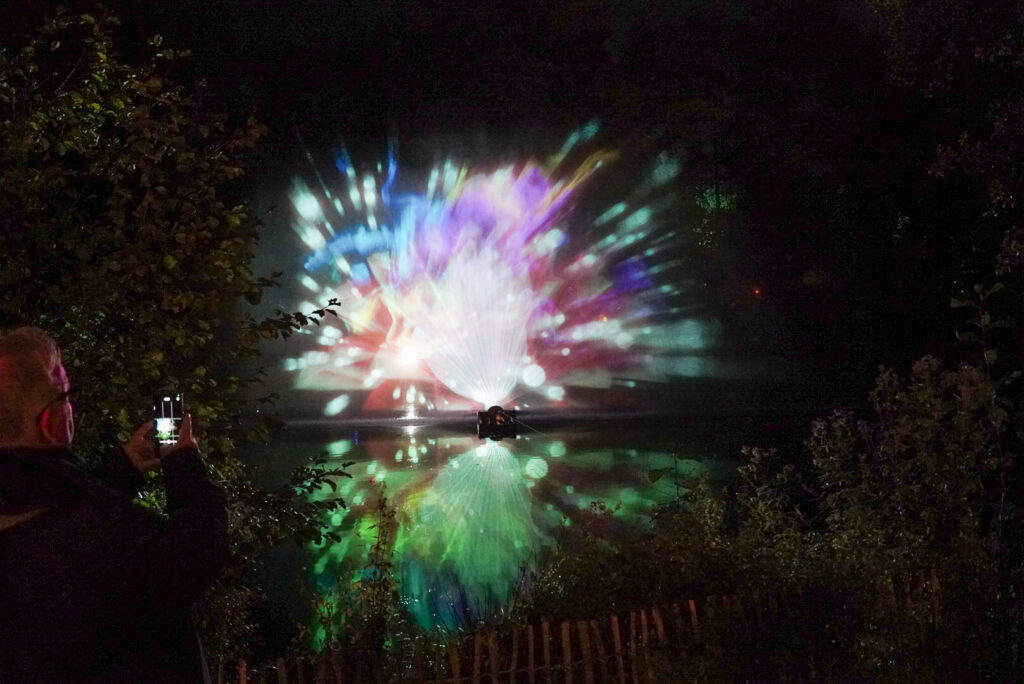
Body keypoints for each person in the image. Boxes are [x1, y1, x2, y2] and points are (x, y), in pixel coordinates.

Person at [0, 327, 228, 683]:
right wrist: (183, 462)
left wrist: (125, 466)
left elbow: (58, 506)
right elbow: (196, 552)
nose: (72, 406)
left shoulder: (27, 504)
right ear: (48, 422)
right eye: (65, 396)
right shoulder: (89, 532)